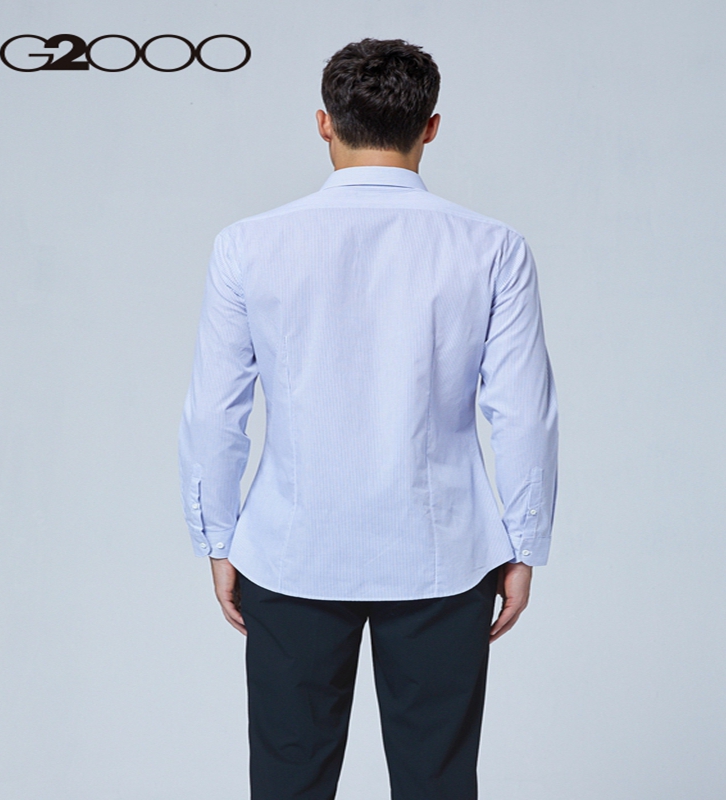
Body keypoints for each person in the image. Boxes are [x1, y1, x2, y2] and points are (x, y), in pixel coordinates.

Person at [178, 36, 558, 800]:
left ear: (324, 123)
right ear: (431, 127)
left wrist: (217, 537)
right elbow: (522, 414)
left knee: (287, 783)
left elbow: (216, 412)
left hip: (290, 552)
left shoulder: (248, 246)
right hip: (444, 554)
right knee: (437, 783)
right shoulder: (493, 249)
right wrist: (524, 545)